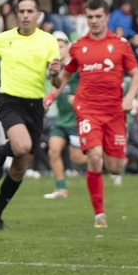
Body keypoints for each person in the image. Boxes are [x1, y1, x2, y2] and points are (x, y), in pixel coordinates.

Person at [47, 0, 138, 227]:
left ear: (107, 17)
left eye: (98, 16)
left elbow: (137, 76)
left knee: (114, 165)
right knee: (95, 156)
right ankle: (99, 213)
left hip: (115, 113)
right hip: (88, 110)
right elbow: (66, 77)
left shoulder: (121, 45)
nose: (94, 21)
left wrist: (129, 98)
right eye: (90, 17)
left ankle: (112, 169)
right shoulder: (78, 46)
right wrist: (52, 85)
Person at [0, 0, 61, 231]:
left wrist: (55, 72)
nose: (25, 15)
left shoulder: (48, 41)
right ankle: (1, 151)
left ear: (38, 15)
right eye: (21, 11)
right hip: (10, 101)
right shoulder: (2, 39)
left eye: (29, 11)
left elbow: (57, 80)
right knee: (21, 147)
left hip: (35, 106)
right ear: (16, 14)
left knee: (20, 168)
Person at [42, 71, 84, 200]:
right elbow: (53, 91)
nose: (59, 51)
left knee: (76, 158)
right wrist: (47, 102)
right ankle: (61, 189)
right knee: (53, 151)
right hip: (61, 121)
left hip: (76, 121)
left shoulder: (78, 74)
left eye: (61, 48)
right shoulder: (56, 75)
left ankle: (102, 155)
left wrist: (79, 99)